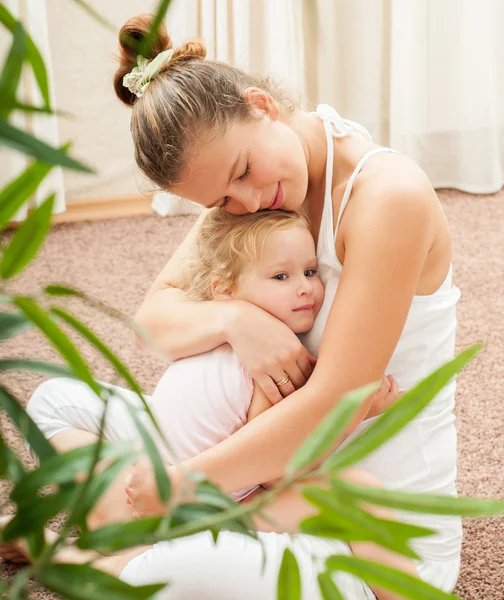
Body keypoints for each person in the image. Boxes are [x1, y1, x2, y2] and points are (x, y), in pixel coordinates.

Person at [15, 11, 462, 598]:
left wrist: (177, 483)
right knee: (51, 404)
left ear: (262, 104)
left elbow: (336, 403)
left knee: (160, 579)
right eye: (223, 197)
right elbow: (153, 322)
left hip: (362, 532)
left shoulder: (387, 199)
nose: (248, 202)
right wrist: (236, 318)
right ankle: (141, 528)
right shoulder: (246, 197)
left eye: (244, 172)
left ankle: (97, 549)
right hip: (249, 475)